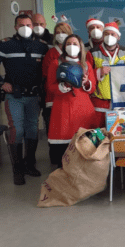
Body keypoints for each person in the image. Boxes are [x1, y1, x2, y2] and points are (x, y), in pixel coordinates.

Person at [0, 14, 49, 185]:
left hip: (34, 96)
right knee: (17, 130)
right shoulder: (6, 44)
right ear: (15, 27)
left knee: (33, 129)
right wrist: (1, 82)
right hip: (15, 96)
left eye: (29, 24)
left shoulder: (42, 46)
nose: (26, 27)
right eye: (22, 25)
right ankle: (17, 169)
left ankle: (29, 164)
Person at [46, 34, 97, 168]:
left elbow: (92, 88)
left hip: (83, 109)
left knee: (85, 143)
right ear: (64, 47)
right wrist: (63, 87)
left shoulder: (86, 65)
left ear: (80, 47)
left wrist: (87, 83)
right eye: (69, 44)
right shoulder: (55, 63)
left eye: (75, 44)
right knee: (63, 144)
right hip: (62, 107)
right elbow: (50, 86)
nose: (72, 47)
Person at [90, 22, 125, 126]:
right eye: (106, 34)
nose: (109, 37)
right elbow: (87, 75)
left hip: (121, 100)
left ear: (118, 37)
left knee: (119, 131)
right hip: (100, 101)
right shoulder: (93, 52)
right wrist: (99, 72)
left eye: (112, 34)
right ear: (103, 35)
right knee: (99, 134)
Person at [42, 22, 73, 164]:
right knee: (54, 130)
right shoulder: (51, 53)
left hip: (71, 100)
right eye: (58, 32)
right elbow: (46, 75)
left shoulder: (76, 52)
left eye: (64, 31)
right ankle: (56, 162)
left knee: (69, 130)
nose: (61, 35)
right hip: (53, 99)